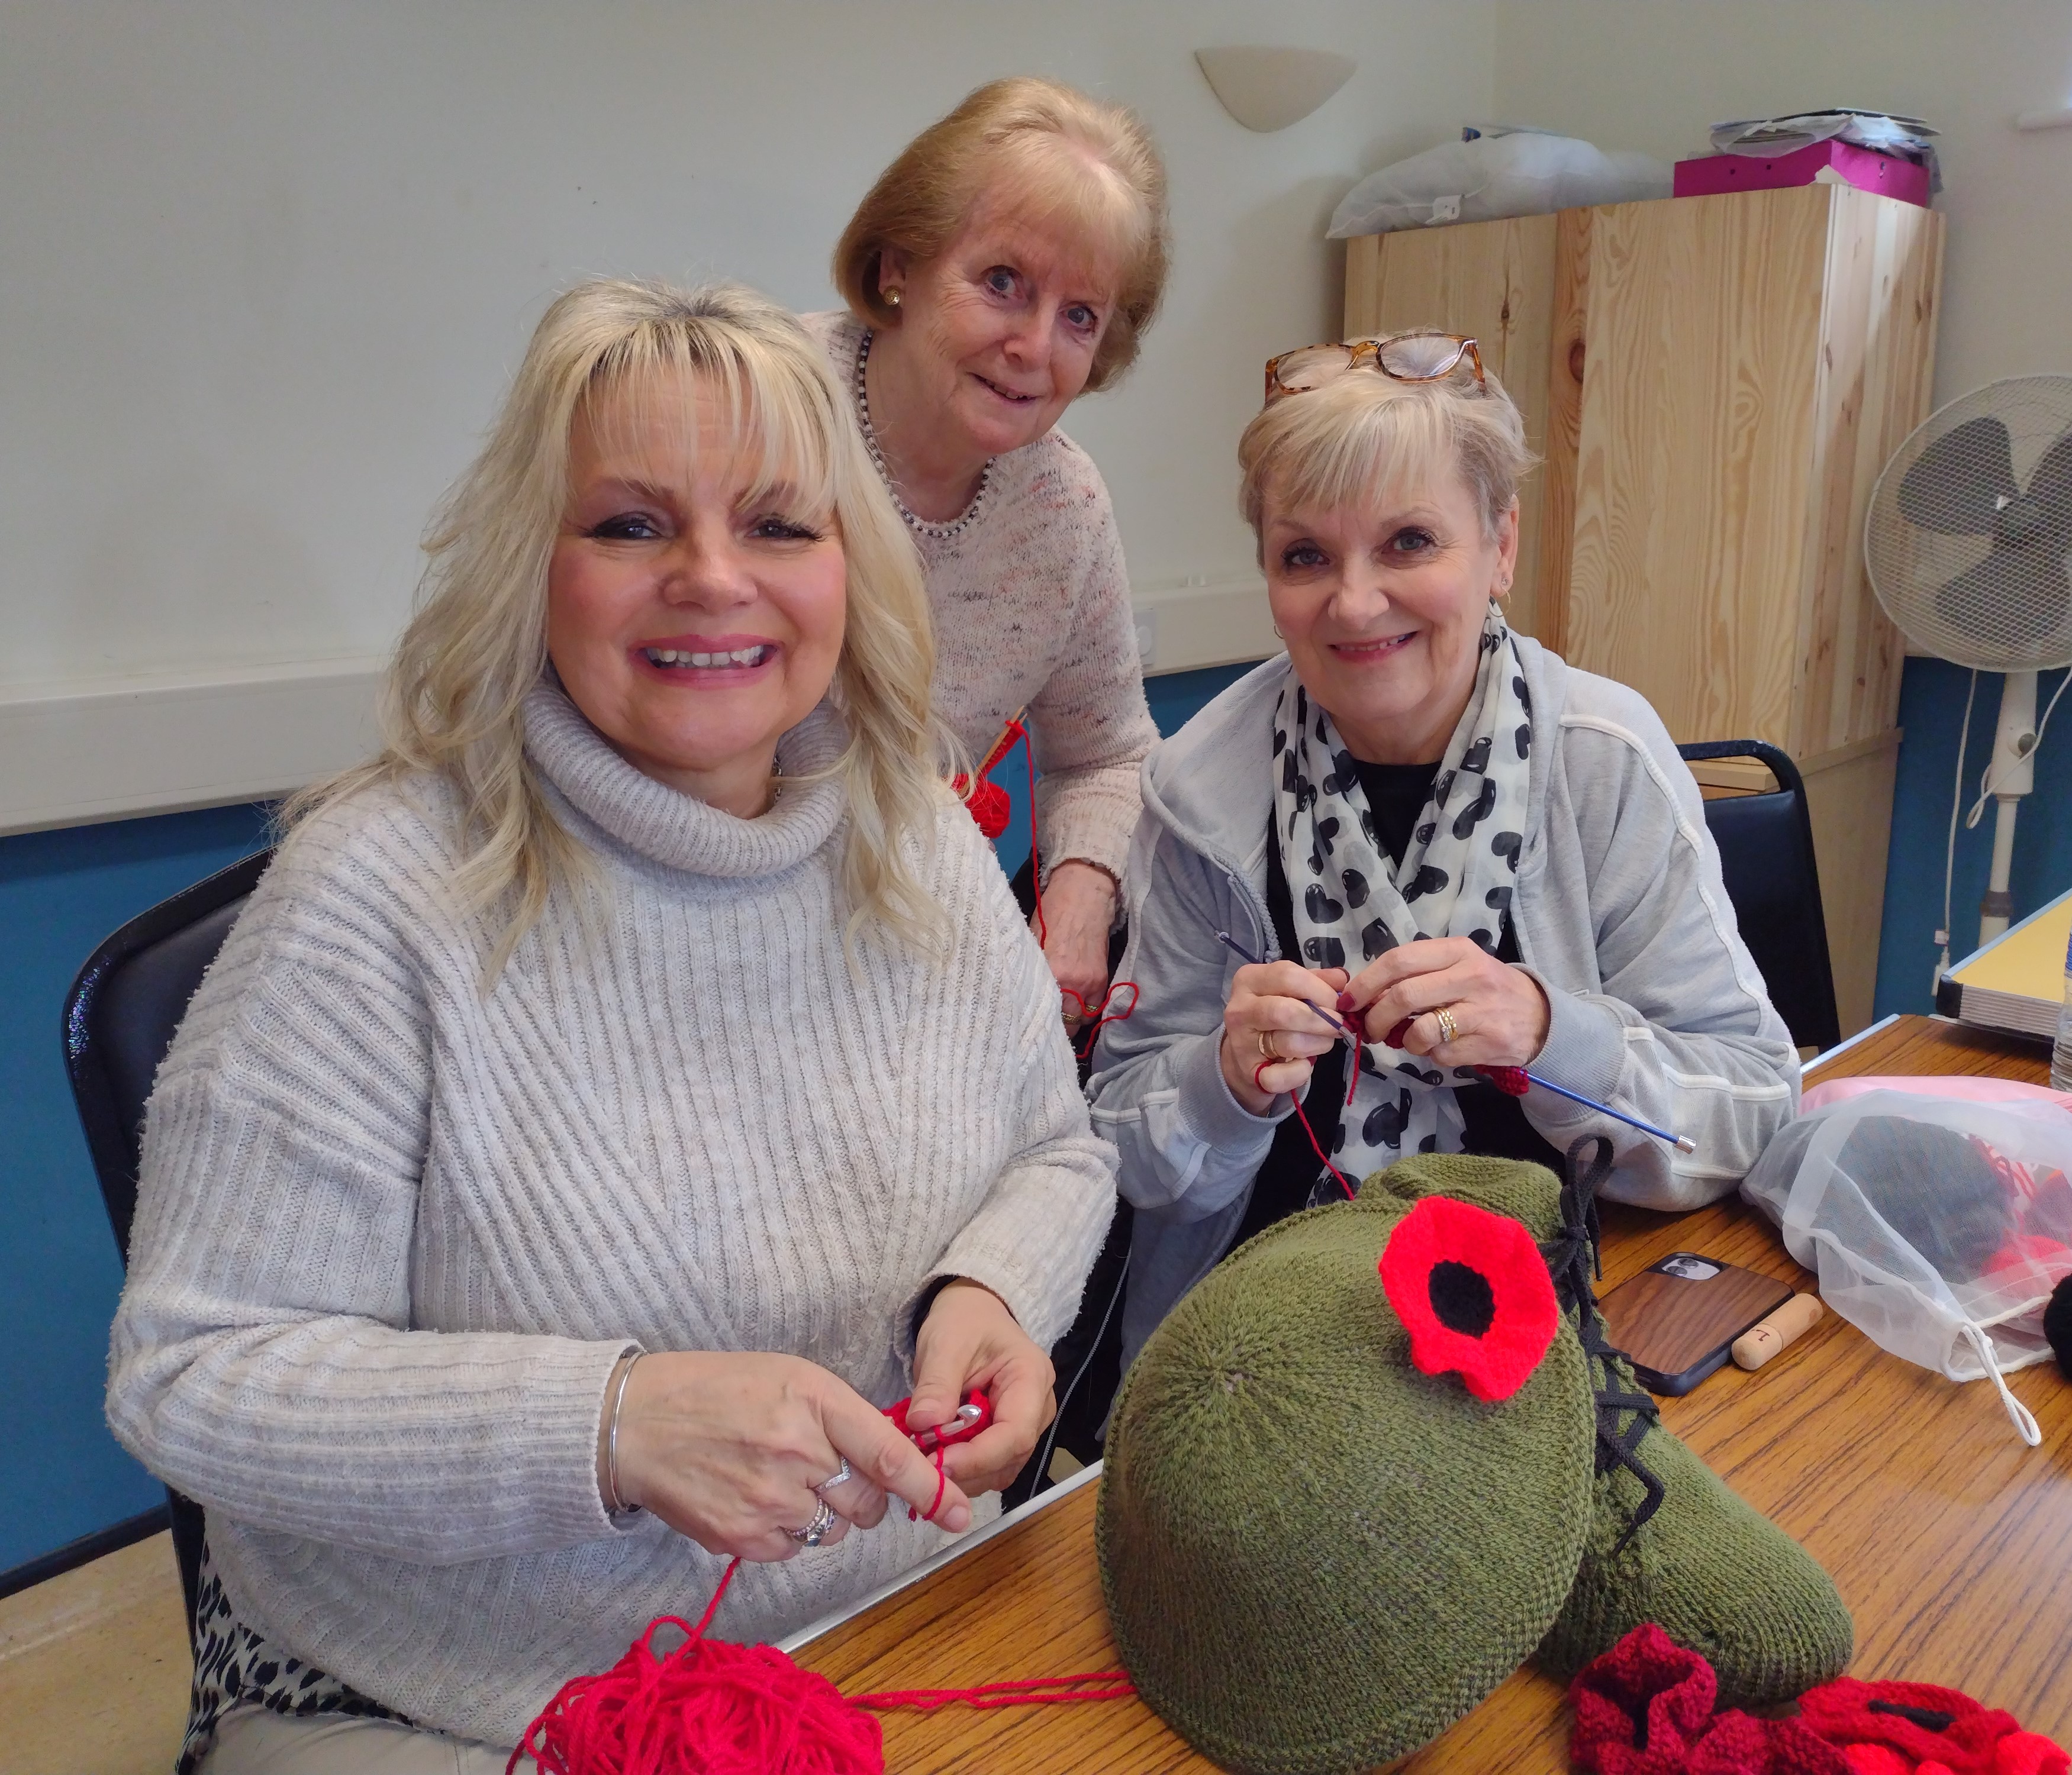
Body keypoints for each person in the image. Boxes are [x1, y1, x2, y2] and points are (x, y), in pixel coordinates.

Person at [105, 280, 1116, 1774]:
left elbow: (1054, 1144)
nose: (714, 580)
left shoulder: (913, 826)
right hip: (457, 1696)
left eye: (780, 523)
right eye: (632, 526)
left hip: (902, 1618)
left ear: (850, 563)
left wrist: (991, 1289)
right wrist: (606, 1425)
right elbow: (191, 1373)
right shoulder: (374, 896)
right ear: (534, 565)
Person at [1087, 331, 1799, 1375]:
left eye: (1410, 542)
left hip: (1564, 1331)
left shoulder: (1600, 761)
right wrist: (1219, 1084)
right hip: (1264, 1344)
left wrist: (1551, 1034)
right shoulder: (1199, 789)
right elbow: (1121, 1142)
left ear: (1500, 545)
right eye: (1305, 557)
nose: (1355, 602)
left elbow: (1749, 1108)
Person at [805, 76, 1169, 1027]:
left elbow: (1107, 755)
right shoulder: (762, 411)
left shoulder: (1063, 504)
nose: (1034, 347)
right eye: (1002, 283)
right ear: (897, 265)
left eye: (1080, 316)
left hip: (891, 961)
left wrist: (1077, 911)